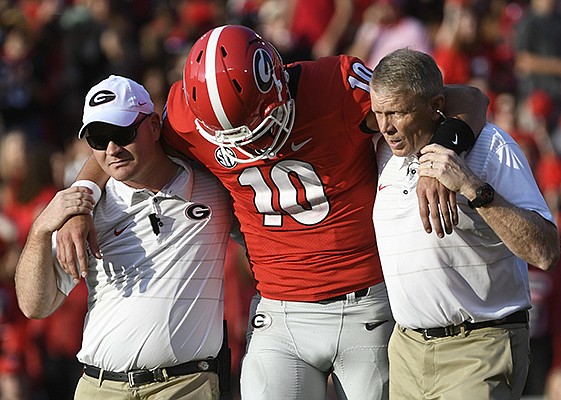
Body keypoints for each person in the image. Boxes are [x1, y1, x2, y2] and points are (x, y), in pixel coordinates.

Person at [55, 25, 488, 400]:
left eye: (254, 131)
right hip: (277, 311)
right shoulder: (186, 114)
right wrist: (81, 196)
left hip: (365, 304)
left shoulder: (334, 86)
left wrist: (440, 154)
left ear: (278, 88)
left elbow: (465, 97)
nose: (246, 148)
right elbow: (115, 143)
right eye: (230, 138)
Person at [14, 75, 233, 399]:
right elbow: (35, 305)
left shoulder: (214, 189)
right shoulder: (86, 210)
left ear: (155, 126)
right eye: (99, 139)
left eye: (123, 133)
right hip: (99, 387)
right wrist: (40, 229)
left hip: (185, 386)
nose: (112, 149)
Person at [370, 48, 560, 400]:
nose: (386, 126)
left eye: (397, 112)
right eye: (379, 112)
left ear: (435, 105)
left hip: (480, 346)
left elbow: (545, 250)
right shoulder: (382, 150)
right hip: (406, 351)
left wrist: (472, 187)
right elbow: (471, 95)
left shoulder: (492, 146)